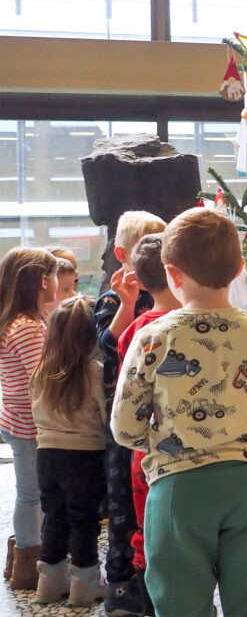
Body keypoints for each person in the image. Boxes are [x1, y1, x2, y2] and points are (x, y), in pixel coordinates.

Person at [111, 207, 247, 617]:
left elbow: (125, 429)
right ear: (237, 270)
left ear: (172, 274)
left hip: (178, 488)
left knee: (179, 604)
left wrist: (159, 438)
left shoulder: (152, 337)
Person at [94, 210, 165, 616]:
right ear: (122, 254)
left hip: (160, 415)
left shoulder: (164, 296)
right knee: (123, 504)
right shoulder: (111, 297)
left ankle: (161, 580)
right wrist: (127, 302)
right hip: (124, 417)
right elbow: (109, 343)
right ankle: (122, 587)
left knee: (154, 501)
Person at [115, 233, 181, 616]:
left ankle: (151, 599)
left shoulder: (136, 330)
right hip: (188, 449)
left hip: (145, 450)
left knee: (149, 527)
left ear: (138, 279)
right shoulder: (194, 324)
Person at [30, 295, 108, 606]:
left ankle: (48, 582)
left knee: (55, 516)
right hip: (86, 456)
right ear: (91, 334)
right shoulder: (95, 371)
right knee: (84, 520)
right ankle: (85, 584)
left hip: (47, 454)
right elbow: (105, 417)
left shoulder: (41, 370)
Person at [0, 247, 58, 590]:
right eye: (53, 276)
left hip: (17, 419)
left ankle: (21, 556)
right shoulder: (27, 327)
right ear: (41, 280)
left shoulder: (18, 322)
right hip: (30, 425)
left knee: (30, 492)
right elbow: (42, 378)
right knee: (30, 494)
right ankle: (26, 561)